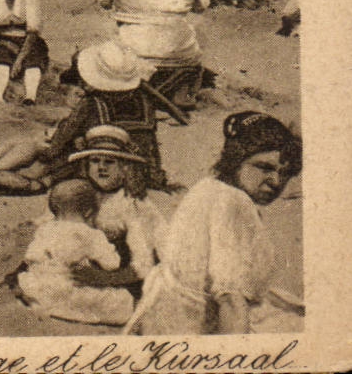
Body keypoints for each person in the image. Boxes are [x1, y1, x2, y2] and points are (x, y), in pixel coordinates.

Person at [125, 111, 303, 334]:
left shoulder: (208, 187)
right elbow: (230, 298)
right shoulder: (234, 203)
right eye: (264, 168)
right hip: (197, 326)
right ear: (235, 161)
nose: (276, 182)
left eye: (285, 172)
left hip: (165, 315)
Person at [0, 41, 166, 194]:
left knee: (31, 144)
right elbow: (149, 142)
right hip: (133, 161)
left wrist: (46, 147)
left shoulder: (91, 104)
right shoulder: (144, 102)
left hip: (91, 162)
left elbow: (59, 142)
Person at [16, 180, 136, 325]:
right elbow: (112, 264)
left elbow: (31, 256)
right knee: (122, 299)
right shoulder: (90, 234)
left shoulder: (45, 229)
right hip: (69, 288)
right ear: (88, 212)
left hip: (40, 286)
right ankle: (69, 311)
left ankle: (42, 304)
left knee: (35, 284)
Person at [66, 125, 163, 294]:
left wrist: (103, 279)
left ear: (124, 168)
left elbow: (143, 265)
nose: (101, 167)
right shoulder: (82, 194)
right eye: (95, 161)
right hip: (96, 270)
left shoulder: (133, 204)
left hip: (129, 278)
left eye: (109, 162)